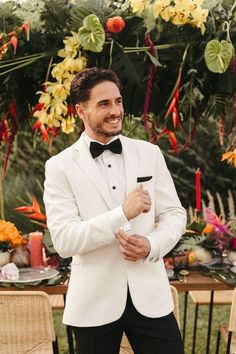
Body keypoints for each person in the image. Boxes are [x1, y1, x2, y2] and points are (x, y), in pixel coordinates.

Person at [43, 67, 187, 354]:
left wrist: (152, 245)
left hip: (151, 297)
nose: (115, 110)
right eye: (103, 104)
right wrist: (121, 214)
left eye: (118, 101)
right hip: (93, 303)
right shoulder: (60, 167)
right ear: (81, 110)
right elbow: (64, 240)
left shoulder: (149, 153)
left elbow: (174, 214)